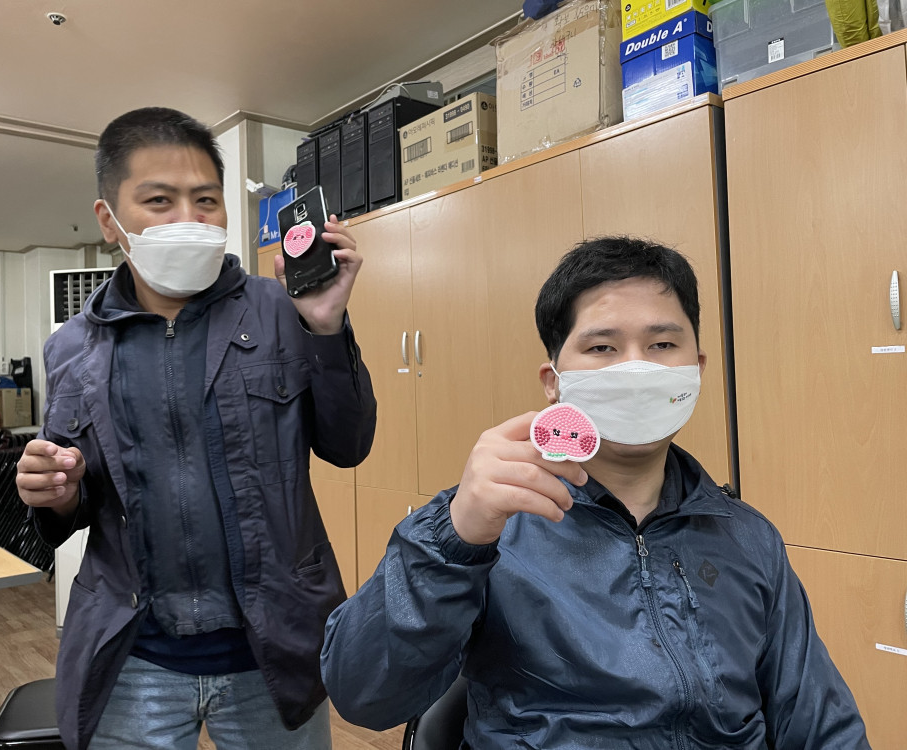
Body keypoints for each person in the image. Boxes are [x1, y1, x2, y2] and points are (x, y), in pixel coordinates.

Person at [320, 237, 869, 749]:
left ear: (696, 369)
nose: (635, 368)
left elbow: (821, 725)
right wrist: (455, 541)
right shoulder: (489, 526)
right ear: (554, 381)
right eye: (603, 346)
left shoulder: (748, 538)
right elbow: (363, 694)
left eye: (662, 344)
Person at [16, 107, 376, 750]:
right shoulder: (71, 347)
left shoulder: (281, 309)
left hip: (273, 647)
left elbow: (348, 447)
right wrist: (55, 492)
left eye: (206, 200)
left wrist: (325, 327)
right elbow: (74, 500)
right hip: (133, 654)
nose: (189, 217)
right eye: (159, 200)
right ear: (110, 220)